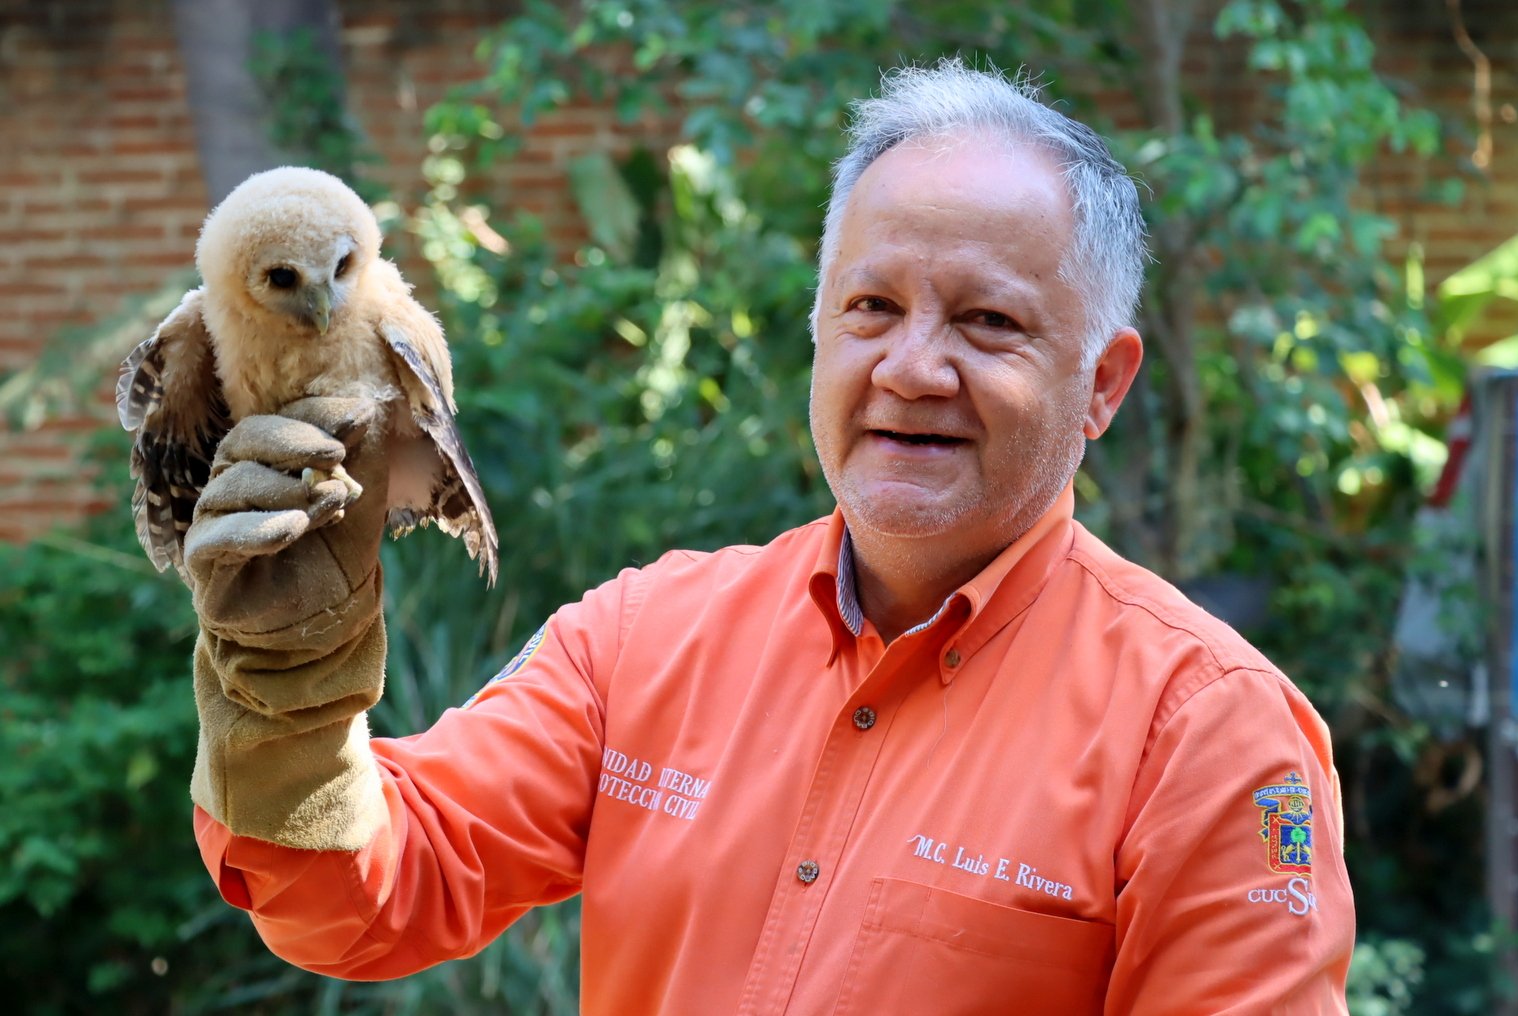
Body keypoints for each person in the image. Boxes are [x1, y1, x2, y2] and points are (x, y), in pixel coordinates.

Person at [183, 61, 1355, 1013]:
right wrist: (288, 705)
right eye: (871, 307)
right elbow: (368, 894)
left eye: (989, 321)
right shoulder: (644, 637)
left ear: (1100, 385)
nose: (911, 366)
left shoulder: (1208, 736)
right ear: (818, 332)